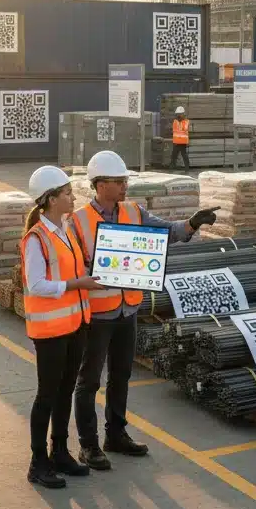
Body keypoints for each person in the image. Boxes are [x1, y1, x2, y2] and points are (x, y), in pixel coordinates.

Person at [69, 150, 218, 470]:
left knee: (121, 374)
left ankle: (116, 434)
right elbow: (70, 267)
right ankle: (89, 445)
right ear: (100, 184)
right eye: (119, 181)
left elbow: (166, 231)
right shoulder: (78, 221)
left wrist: (192, 223)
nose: (125, 185)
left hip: (127, 310)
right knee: (90, 380)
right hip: (96, 315)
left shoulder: (134, 211)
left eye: (125, 180)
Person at [21, 165, 104, 489]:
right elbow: (37, 284)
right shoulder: (36, 238)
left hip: (74, 325)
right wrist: (76, 284)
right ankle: (37, 462)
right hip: (50, 332)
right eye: (67, 193)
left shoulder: (65, 230)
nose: (73, 197)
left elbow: (77, 268)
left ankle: (59, 451)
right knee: (47, 395)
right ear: (52, 199)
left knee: (65, 392)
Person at [169, 105, 190, 170]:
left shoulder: (186, 122)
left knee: (184, 155)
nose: (178, 115)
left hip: (182, 142)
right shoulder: (175, 121)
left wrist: (188, 142)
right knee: (174, 155)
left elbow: (185, 130)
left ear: (183, 114)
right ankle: (172, 167)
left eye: (180, 114)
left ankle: (187, 168)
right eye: (178, 114)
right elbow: (174, 131)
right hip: (176, 142)